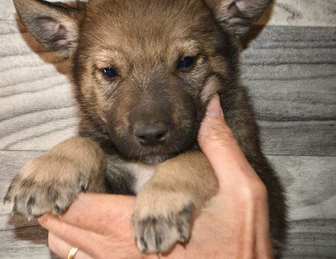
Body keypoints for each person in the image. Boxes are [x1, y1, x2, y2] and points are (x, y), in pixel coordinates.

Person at [38, 94, 273, 259]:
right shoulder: (93, 150)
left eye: (185, 62)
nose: (150, 124)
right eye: (110, 72)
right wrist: (71, 158)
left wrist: (188, 176)